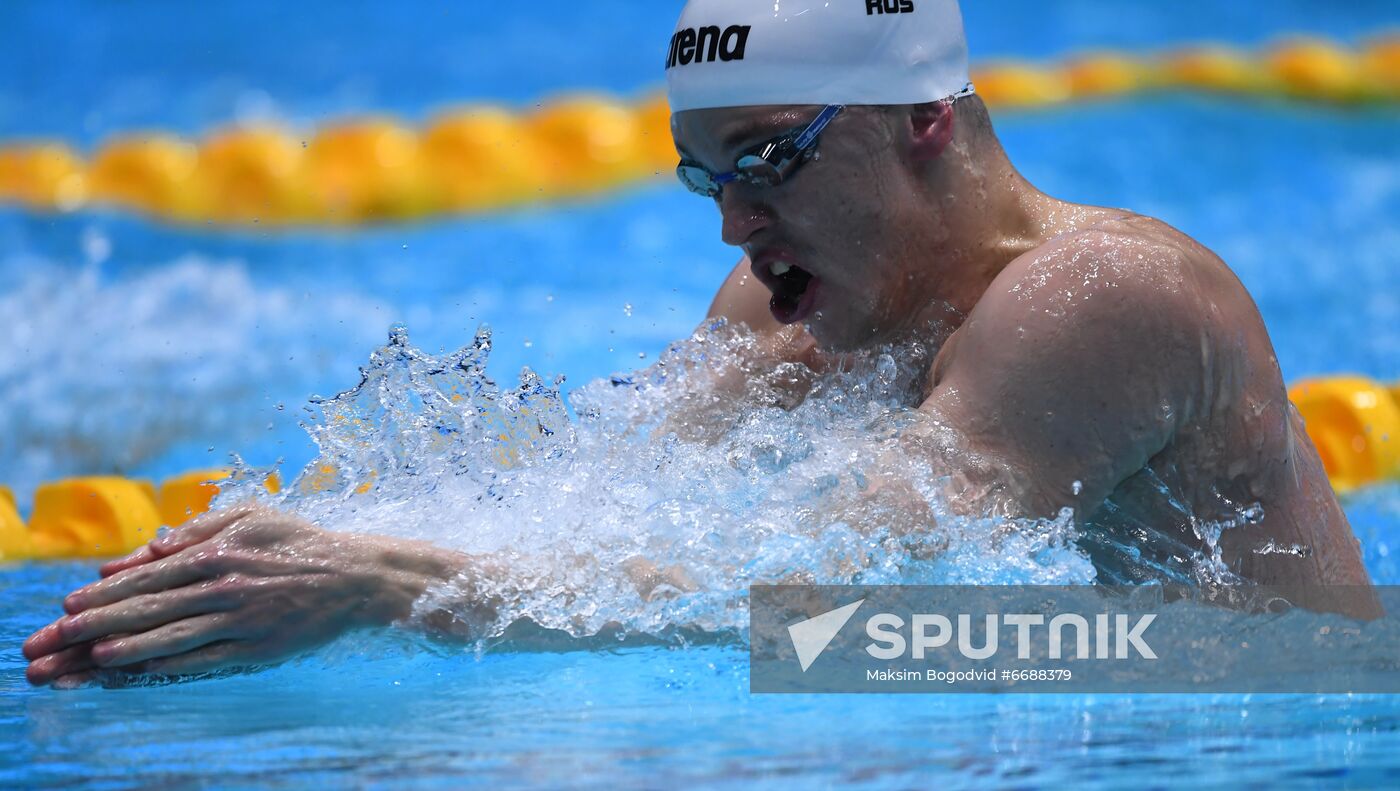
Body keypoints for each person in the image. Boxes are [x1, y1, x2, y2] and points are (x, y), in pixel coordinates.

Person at [24, 0, 1375, 687]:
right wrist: (280, 562)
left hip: (1266, 717)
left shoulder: (1111, 298)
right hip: (1043, 668)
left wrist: (396, 585)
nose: (735, 224)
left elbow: (851, 585)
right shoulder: (790, 301)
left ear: (922, 119)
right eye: (704, 176)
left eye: (769, 158)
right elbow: (595, 503)